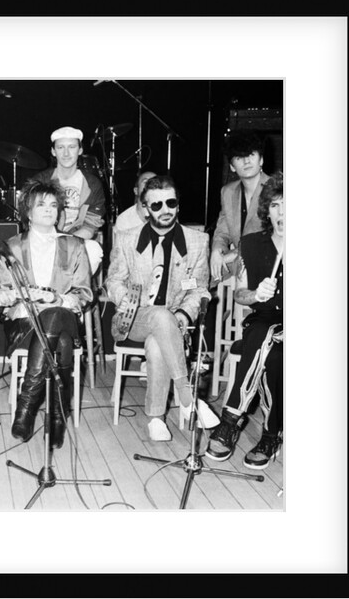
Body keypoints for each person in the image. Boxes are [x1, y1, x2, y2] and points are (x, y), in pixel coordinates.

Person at [0, 179, 92, 448]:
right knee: (62, 341)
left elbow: (85, 294)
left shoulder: (76, 245)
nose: (48, 210)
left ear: (60, 212)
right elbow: (1, 288)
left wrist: (57, 298)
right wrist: (5, 295)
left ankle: (27, 405)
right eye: (41, 204)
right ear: (28, 212)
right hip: (25, 326)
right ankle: (57, 416)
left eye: (54, 205)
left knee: (55, 313)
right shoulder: (11, 246)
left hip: (65, 317)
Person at [105, 175, 210, 441]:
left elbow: (198, 289)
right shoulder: (127, 239)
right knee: (160, 318)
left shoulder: (197, 241)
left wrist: (184, 314)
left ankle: (155, 418)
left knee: (157, 342)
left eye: (170, 203)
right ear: (144, 208)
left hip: (174, 322)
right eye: (156, 205)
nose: (165, 210)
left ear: (178, 205)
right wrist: (123, 298)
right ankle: (187, 394)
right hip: (134, 318)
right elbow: (113, 280)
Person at [206, 173, 284, 469]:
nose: (282, 213)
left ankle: (229, 421)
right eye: (275, 205)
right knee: (271, 351)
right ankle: (272, 434)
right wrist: (256, 293)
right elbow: (239, 294)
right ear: (267, 210)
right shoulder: (252, 244)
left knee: (267, 345)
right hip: (263, 321)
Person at [29, 126, 106, 275]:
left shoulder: (92, 184)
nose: (66, 153)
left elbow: (91, 225)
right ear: (53, 151)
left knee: (94, 250)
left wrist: (66, 244)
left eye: (71, 147)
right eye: (60, 147)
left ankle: (73, 292)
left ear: (80, 150)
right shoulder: (40, 180)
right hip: (44, 238)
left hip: (76, 238)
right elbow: (32, 218)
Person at [210, 130, 272, 282]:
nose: (246, 162)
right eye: (239, 157)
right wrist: (217, 251)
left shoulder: (278, 189)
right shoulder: (228, 192)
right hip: (239, 264)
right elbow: (222, 231)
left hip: (271, 263)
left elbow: (275, 237)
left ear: (261, 160)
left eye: (251, 155)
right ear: (232, 166)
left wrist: (238, 252)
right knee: (195, 281)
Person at [112, 170, 157, 241]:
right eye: (145, 182)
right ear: (136, 190)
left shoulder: (167, 215)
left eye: (155, 182)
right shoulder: (124, 220)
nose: (150, 185)